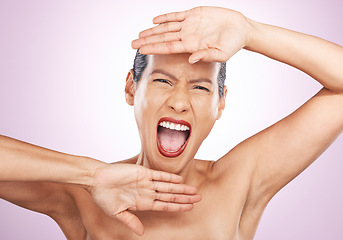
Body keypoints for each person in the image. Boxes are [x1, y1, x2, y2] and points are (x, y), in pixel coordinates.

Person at [1, 6, 342, 240]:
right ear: (132, 88)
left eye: (200, 87)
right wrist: (90, 175)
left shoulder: (240, 181)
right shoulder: (83, 193)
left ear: (219, 103)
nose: (179, 102)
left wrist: (250, 32)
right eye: (162, 81)